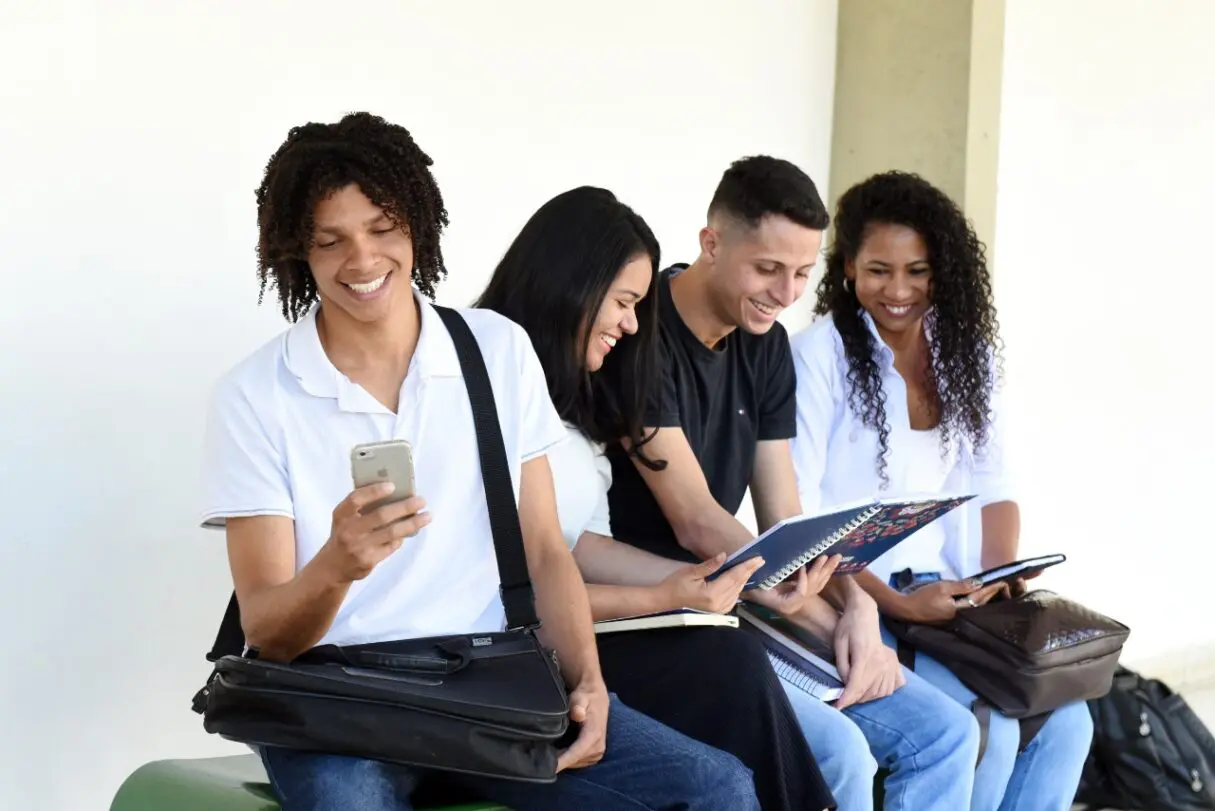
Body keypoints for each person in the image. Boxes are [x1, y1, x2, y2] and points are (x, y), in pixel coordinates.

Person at [199, 112, 762, 811]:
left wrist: (585, 678)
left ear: (418, 227)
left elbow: (545, 550)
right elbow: (269, 631)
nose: (363, 260)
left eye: (382, 229)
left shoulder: (494, 351)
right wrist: (337, 565)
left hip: (485, 685)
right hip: (332, 703)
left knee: (715, 787)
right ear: (297, 252)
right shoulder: (256, 395)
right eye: (330, 240)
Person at [604, 156, 982, 810]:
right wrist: (787, 583)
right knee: (840, 751)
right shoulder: (643, 336)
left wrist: (854, 603)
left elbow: (783, 508)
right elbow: (694, 517)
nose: (784, 293)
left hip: (738, 587)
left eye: (802, 274)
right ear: (711, 243)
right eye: (767, 269)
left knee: (943, 731)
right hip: (662, 602)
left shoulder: (765, 345)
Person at [476, 185, 837, 811]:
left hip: (577, 630)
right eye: (622, 302)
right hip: (517, 649)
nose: (633, 323)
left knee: (727, 654)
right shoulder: (479, 377)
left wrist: (698, 582)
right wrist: (662, 595)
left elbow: (582, 545)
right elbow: (505, 590)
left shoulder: (577, 399)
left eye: (638, 304)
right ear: (572, 286)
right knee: (727, 665)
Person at [788, 169, 1093, 811]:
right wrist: (897, 607)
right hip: (859, 595)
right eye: (878, 270)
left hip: (953, 600)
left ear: (942, 270)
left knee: (1070, 723)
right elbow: (803, 512)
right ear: (847, 269)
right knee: (988, 728)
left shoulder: (966, 354)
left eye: (918, 271)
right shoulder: (818, 356)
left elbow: (994, 480)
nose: (898, 291)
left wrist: (995, 573)